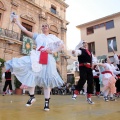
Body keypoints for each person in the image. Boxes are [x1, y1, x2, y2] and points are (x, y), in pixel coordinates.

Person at [5, 15, 64, 111]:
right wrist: (17, 22)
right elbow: (25, 31)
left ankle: (46, 103)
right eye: (43, 26)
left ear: (49, 29)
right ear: (41, 28)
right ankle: (32, 97)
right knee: (31, 76)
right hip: (37, 57)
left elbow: (62, 46)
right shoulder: (38, 36)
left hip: (48, 59)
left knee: (47, 82)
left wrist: (53, 51)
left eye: (46, 26)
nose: (44, 27)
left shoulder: (53, 37)